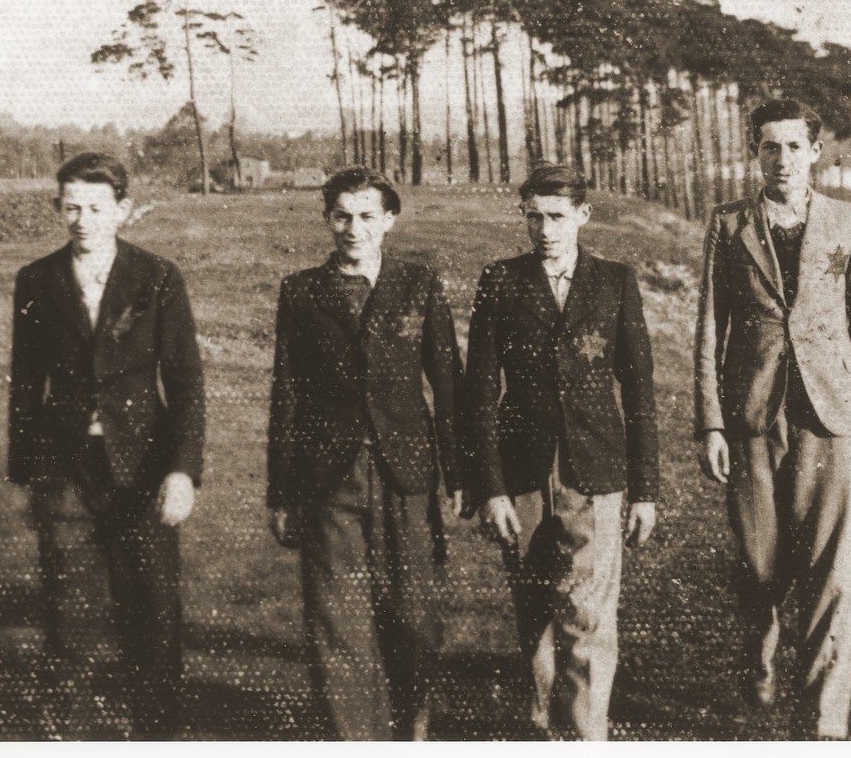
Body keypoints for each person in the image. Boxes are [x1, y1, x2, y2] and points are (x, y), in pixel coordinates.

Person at [691, 100, 851, 740]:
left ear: (814, 152)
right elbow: (707, 330)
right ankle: (759, 654)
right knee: (759, 568)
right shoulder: (729, 225)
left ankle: (823, 725)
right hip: (752, 417)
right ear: (757, 153)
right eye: (769, 147)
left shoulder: (845, 221)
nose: (781, 160)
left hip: (831, 419)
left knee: (832, 572)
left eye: (793, 147)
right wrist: (711, 424)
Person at [7, 152, 204, 740]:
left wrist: (182, 471)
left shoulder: (157, 276)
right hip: (67, 470)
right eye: (71, 207)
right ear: (57, 208)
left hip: (143, 467)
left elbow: (187, 381)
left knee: (154, 621)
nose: (83, 220)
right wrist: (30, 477)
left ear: (123, 209)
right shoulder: (36, 280)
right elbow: (23, 385)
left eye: (96, 207)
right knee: (69, 621)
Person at [462, 163, 659, 740]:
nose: (545, 230)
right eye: (533, 217)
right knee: (536, 613)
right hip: (521, 471)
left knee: (588, 615)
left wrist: (645, 490)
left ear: (583, 215)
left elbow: (640, 390)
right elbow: (478, 393)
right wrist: (490, 488)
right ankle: (546, 731)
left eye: (556, 216)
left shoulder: (614, 281)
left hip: (594, 468)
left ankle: (584, 737)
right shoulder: (500, 280)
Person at [266, 166, 463, 741]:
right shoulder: (301, 292)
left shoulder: (418, 284)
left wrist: (459, 473)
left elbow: (446, 383)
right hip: (329, 478)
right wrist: (281, 493)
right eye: (341, 216)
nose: (353, 229)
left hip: (407, 473)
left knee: (415, 618)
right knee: (338, 619)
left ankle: (412, 723)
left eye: (367, 216)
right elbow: (288, 395)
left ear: (390, 221)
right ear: (327, 219)